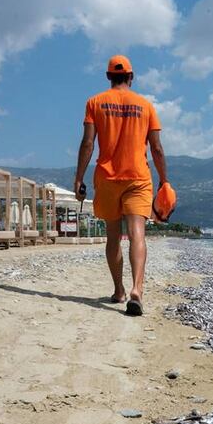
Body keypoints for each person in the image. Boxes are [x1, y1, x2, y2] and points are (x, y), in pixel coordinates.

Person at [74, 54, 168, 316]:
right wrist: (165, 180)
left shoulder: (95, 102)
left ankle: (119, 290)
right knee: (137, 233)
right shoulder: (146, 105)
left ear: (108, 77)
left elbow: (88, 143)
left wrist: (79, 177)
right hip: (138, 177)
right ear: (131, 77)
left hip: (107, 177)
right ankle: (137, 289)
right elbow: (157, 148)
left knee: (113, 235)